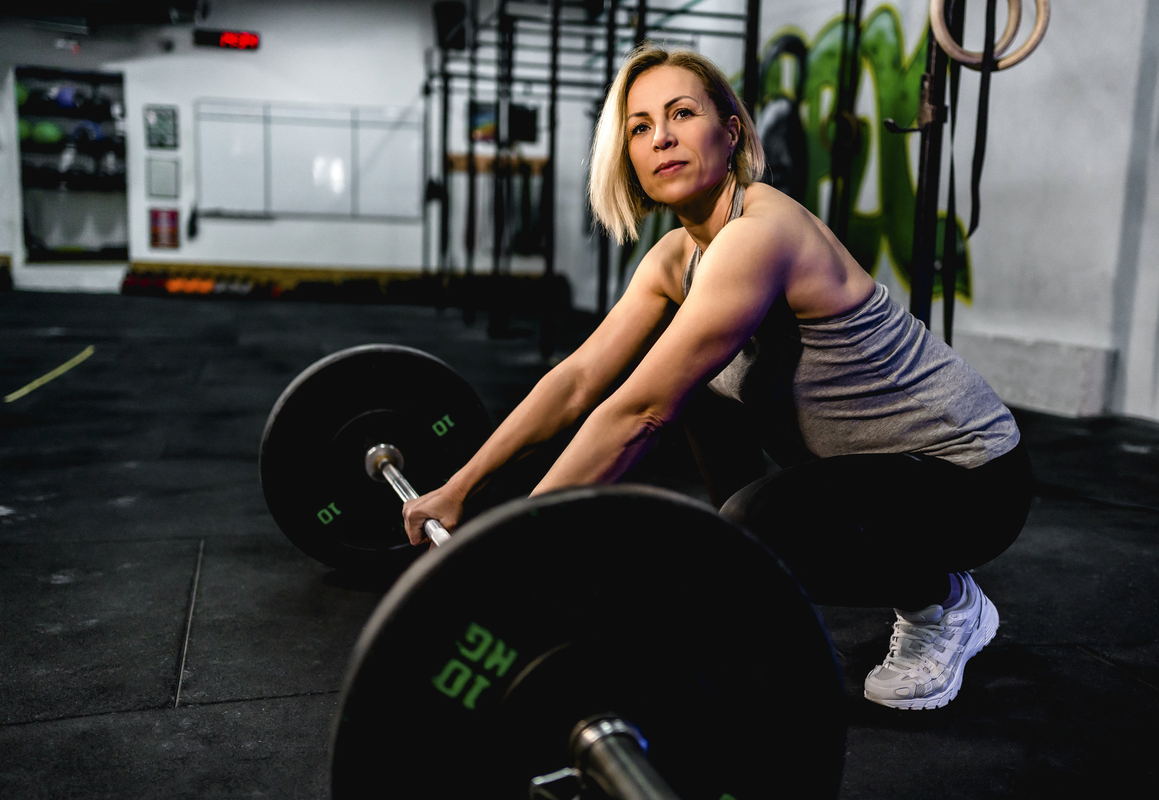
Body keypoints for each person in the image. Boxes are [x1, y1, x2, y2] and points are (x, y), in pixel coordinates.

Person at [403, 44, 1032, 711]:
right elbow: (582, 377)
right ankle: (761, 559)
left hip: (971, 477)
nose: (661, 137)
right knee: (700, 396)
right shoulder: (678, 255)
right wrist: (461, 487)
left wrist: (514, 542)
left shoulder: (762, 233)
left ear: (729, 133)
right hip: (865, 465)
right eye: (639, 126)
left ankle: (943, 603)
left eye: (680, 113)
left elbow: (640, 412)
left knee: (749, 512)